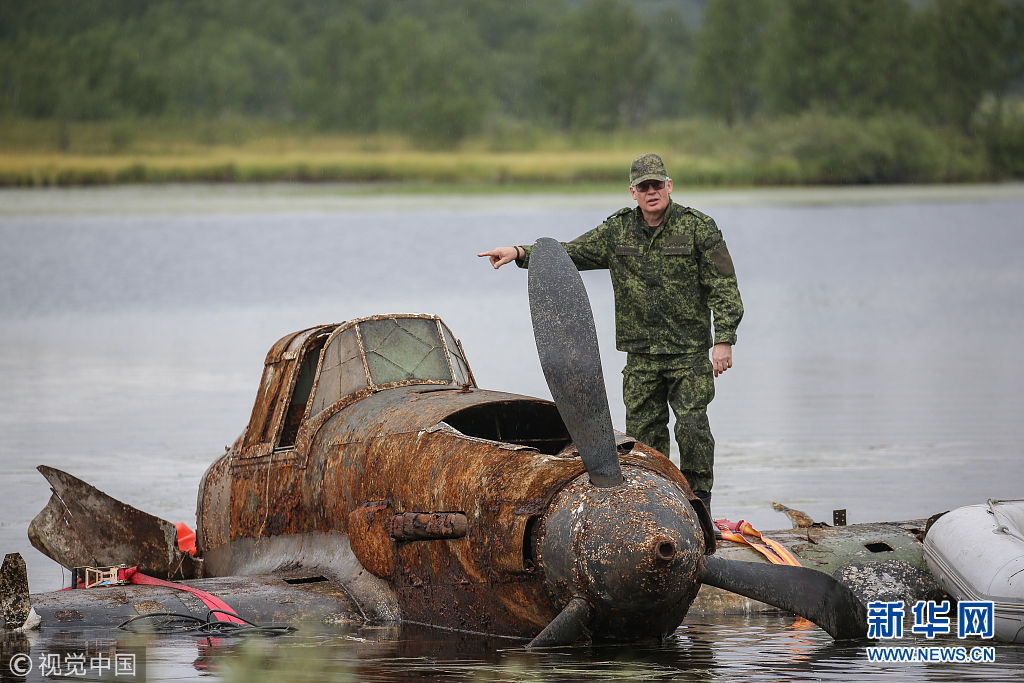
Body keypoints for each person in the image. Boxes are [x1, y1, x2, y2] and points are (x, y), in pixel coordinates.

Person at [477, 153, 742, 518]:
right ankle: (655, 510)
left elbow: (724, 286)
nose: (652, 192)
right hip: (642, 358)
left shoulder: (699, 228)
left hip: (688, 354)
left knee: (693, 430)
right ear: (633, 192)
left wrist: (723, 339)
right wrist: (520, 252)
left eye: (658, 185)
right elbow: (571, 252)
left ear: (669, 186)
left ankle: (700, 510)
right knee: (644, 441)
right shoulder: (618, 230)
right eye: (644, 187)